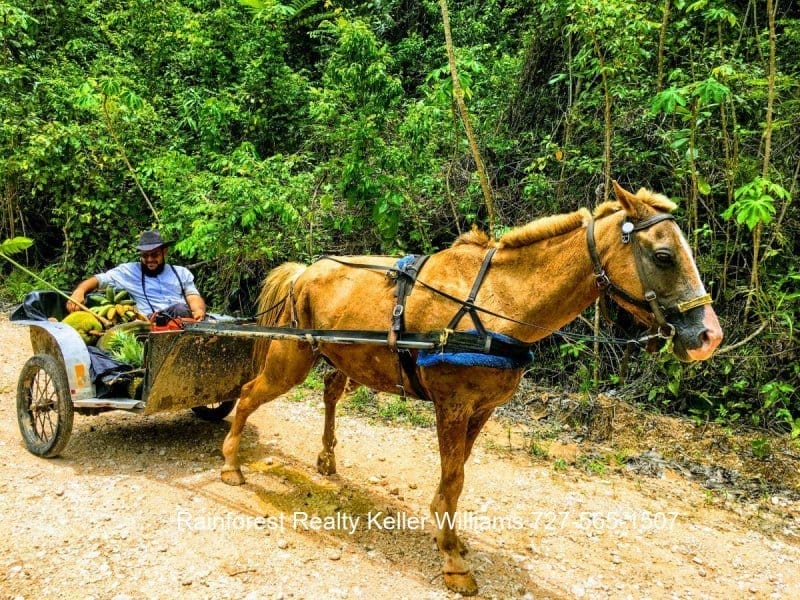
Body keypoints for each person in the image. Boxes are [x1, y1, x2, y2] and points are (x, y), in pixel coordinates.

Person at [66, 229, 206, 321]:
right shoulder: (130, 271)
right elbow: (99, 280)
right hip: (153, 322)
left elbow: (192, 295)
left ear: (164, 253)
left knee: (185, 310)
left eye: (155, 255)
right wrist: (79, 291)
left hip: (185, 320)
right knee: (180, 308)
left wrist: (198, 311)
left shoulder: (181, 272)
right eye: (145, 256)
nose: (150, 260)